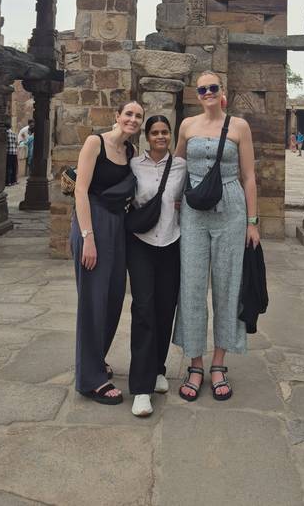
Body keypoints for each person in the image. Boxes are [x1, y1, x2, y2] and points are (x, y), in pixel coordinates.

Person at [173, 71, 260, 403]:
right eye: (202, 89)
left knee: (228, 284)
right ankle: (195, 363)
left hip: (231, 208)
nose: (207, 92)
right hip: (194, 211)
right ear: (197, 95)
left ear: (222, 91)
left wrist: (252, 222)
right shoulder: (187, 126)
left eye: (213, 87)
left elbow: (248, 176)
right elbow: (177, 166)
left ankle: (219, 363)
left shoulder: (239, 127)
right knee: (192, 284)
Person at [70, 100, 144, 405]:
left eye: (138, 116)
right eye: (128, 114)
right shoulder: (95, 143)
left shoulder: (130, 152)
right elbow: (80, 190)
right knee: (93, 300)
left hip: (118, 226)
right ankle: (91, 380)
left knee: (113, 298)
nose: (133, 119)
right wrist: (88, 237)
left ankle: (96, 359)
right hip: (93, 222)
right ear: (117, 116)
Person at [128, 116, 187, 417]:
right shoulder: (134, 165)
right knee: (143, 310)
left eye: (165, 132)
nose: (160, 137)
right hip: (140, 243)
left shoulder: (180, 166)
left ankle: (157, 368)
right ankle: (141, 388)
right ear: (146, 136)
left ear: (171, 135)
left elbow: (189, 197)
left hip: (171, 242)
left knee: (165, 309)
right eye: (155, 132)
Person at [5, 120, 18, 186]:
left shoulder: (6, 133)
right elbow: (16, 143)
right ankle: (13, 181)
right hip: (14, 152)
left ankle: (8, 181)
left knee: (8, 167)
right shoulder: (13, 133)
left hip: (8, 152)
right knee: (13, 167)